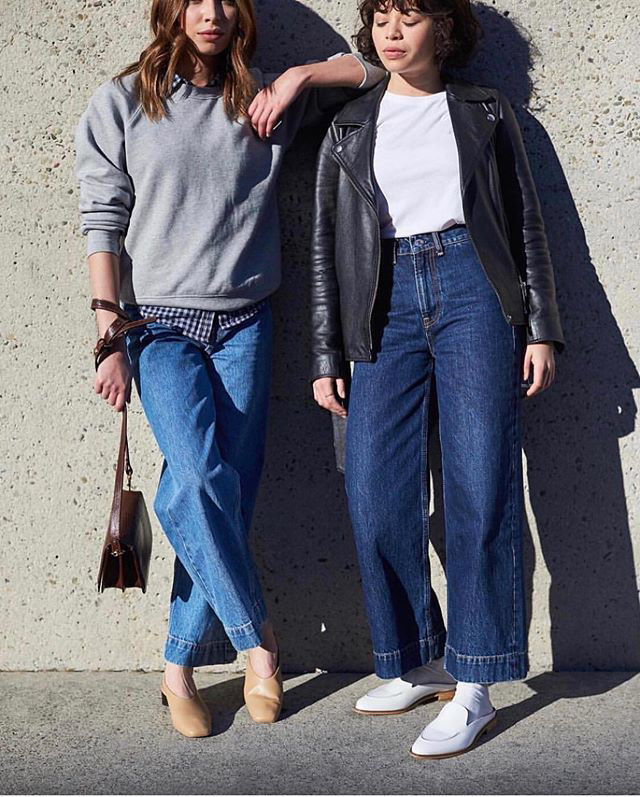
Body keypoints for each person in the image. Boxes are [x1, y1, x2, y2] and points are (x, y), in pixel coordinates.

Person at [75, 0, 385, 738]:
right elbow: (102, 220)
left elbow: (373, 73)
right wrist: (107, 334)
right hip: (158, 325)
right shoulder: (123, 101)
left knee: (223, 497)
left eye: (224, 0)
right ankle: (258, 643)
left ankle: (178, 667)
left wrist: (300, 77)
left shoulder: (265, 97)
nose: (210, 13)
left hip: (247, 324)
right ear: (172, 9)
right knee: (197, 481)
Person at [310, 0, 565, 759]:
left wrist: (541, 326)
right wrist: (326, 354)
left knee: (480, 484)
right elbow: (326, 248)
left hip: (472, 291)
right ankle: (418, 660)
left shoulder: (485, 111)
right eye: (381, 18)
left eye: (411, 17)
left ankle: (477, 681)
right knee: (374, 492)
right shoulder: (349, 126)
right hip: (380, 303)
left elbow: (525, 221)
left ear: (443, 32)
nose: (392, 33)